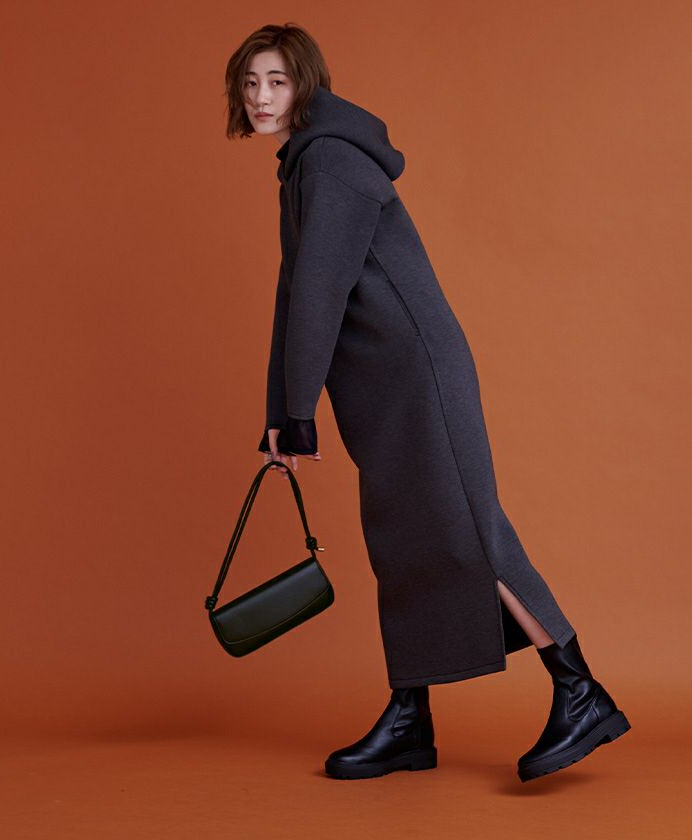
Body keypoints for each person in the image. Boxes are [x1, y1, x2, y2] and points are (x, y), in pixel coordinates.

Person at [224, 23, 631, 782]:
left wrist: (300, 408)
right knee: (404, 541)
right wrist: (283, 410)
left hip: (415, 376)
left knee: (468, 531)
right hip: (379, 384)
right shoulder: (306, 162)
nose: (261, 97)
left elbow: (320, 291)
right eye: (250, 83)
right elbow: (295, 293)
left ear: (307, 83)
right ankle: (410, 717)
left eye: (277, 81)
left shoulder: (332, 160)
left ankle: (580, 689)